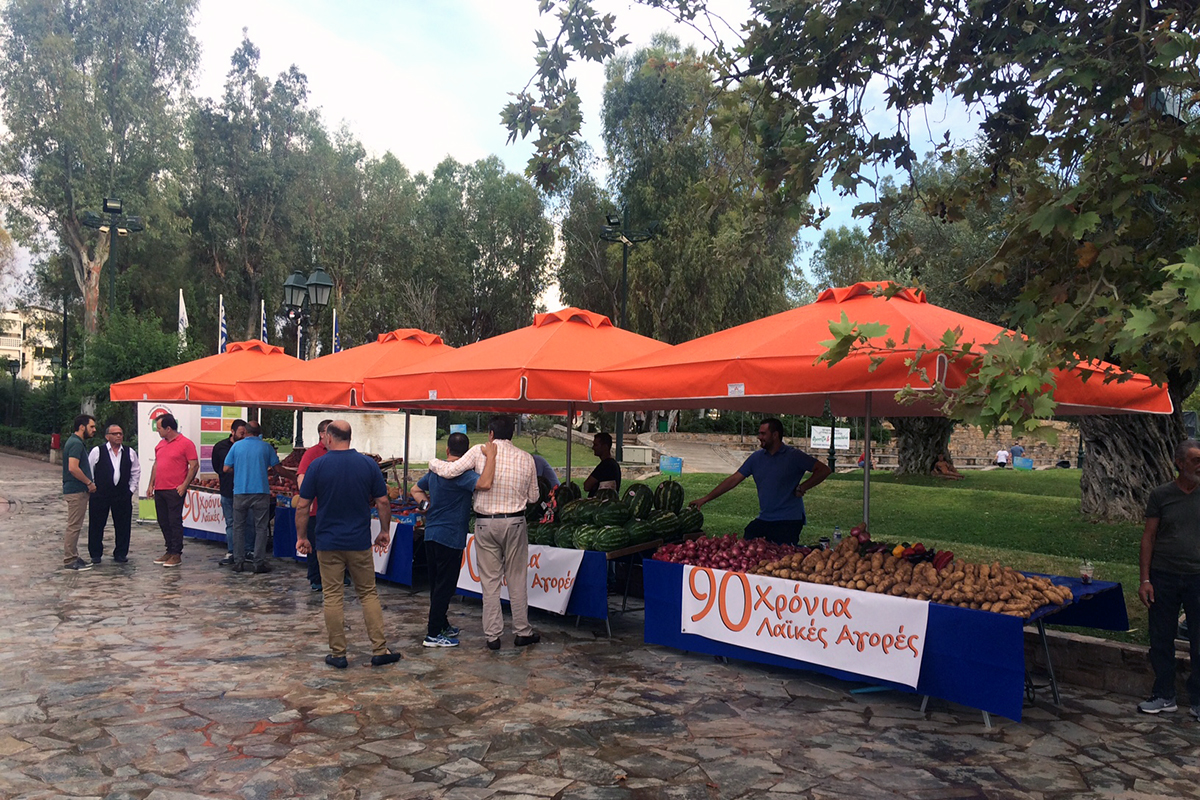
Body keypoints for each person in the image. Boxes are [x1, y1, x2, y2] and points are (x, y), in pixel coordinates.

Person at [294, 420, 402, 669]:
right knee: (368, 593)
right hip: (359, 541)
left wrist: (302, 537)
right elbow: (383, 501)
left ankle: (338, 653)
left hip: (327, 542)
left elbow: (303, 505)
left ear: (329, 438)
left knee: (332, 596)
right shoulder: (368, 464)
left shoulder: (318, 465)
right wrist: (384, 531)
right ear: (350, 437)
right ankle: (379, 649)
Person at [427, 415, 540, 650]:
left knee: (490, 581)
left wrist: (432, 462)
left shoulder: (479, 451)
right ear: (513, 433)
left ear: (490, 434)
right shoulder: (527, 458)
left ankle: (492, 635)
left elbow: (451, 470)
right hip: (515, 521)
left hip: (485, 523)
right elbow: (533, 497)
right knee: (517, 578)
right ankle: (522, 631)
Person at [411, 432, 495, 648]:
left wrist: (425, 506)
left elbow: (415, 489)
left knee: (436, 584)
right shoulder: (464, 475)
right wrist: (491, 457)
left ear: (447, 449)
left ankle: (442, 624)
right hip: (450, 538)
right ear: (466, 454)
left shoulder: (435, 471)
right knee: (445, 587)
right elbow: (485, 483)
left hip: (431, 534)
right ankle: (432, 634)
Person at [691, 418, 831, 546]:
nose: (759, 437)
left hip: (789, 519)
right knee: (747, 544)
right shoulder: (756, 458)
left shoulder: (794, 456)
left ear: (775, 435)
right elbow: (733, 480)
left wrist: (803, 487)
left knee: (780, 556)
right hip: (765, 518)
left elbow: (824, 470)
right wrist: (705, 499)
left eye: (763, 434)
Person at [1136, 438, 1200, 717]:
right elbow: (1148, 537)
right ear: (1179, 463)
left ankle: (1198, 699)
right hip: (1164, 575)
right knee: (1161, 639)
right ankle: (1164, 694)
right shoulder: (1161, 495)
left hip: (1197, 577)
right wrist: (1145, 579)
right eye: (1196, 461)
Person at [222, 419, 282, 574]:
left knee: (238, 527)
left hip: (240, 492)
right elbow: (277, 468)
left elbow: (226, 468)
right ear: (259, 433)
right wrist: (293, 477)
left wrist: (240, 470)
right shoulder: (266, 447)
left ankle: (238, 561)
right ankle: (258, 562)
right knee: (261, 528)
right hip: (261, 492)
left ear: (246, 431)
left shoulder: (236, 446)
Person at [146, 413, 199, 568]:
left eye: (159, 428)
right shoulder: (160, 444)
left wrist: (184, 485)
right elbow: (156, 464)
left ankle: (176, 553)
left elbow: (194, 465)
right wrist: (151, 484)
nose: (158, 431)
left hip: (175, 489)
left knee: (174, 521)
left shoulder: (186, 443)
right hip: (160, 488)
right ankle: (169, 550)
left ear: (168, 428)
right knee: (163, 521)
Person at [86, 422, 141, 564]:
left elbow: (136, 471)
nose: (118, 436)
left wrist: (131, 490)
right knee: (97, 524)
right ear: (107, 436)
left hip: (122, 494)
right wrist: (92, 486)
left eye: (120, 433)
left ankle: (121, 553)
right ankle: (95, 553)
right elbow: (89, 470)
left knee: (123, 525)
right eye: (115, 434)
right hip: (100, 493)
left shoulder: (129, 452)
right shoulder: (97, 451)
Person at [296, 419, 332, 591]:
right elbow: (301, 476)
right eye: (330, 431)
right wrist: (306, 499)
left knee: (333, 545)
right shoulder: (312, 453)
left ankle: (338, 575)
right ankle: (315, 578)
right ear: (322, 434)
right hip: (316, 509)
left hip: (334, 509)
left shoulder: (339, 452)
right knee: (315, 544)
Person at [62, 414, 97, 571]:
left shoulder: (76, 442)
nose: (94, 430)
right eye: (91, 426)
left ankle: (74, 555)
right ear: (82, 427)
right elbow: (73, 468)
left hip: (77, 489)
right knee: (74, 526)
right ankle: (70, 559)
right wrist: (88, 482)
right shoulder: (76, 444)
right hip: (76, 490)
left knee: (75, 524)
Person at [210, 419, 247, 566]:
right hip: (228, 489)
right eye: (241, 433)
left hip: (245, 490)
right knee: (231, 522)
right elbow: (217, 467)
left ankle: (248, 551)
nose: (243, 436)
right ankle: (232, 551)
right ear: (232, 432)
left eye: (245, 433)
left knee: (248, 522)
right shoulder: (220, 447)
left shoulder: (247, 446)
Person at [583, 432, 621, 497]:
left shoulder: (606, 465)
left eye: (596, 445)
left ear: (605, 447)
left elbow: (587, 486)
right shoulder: (613, 464)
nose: (593, 448)